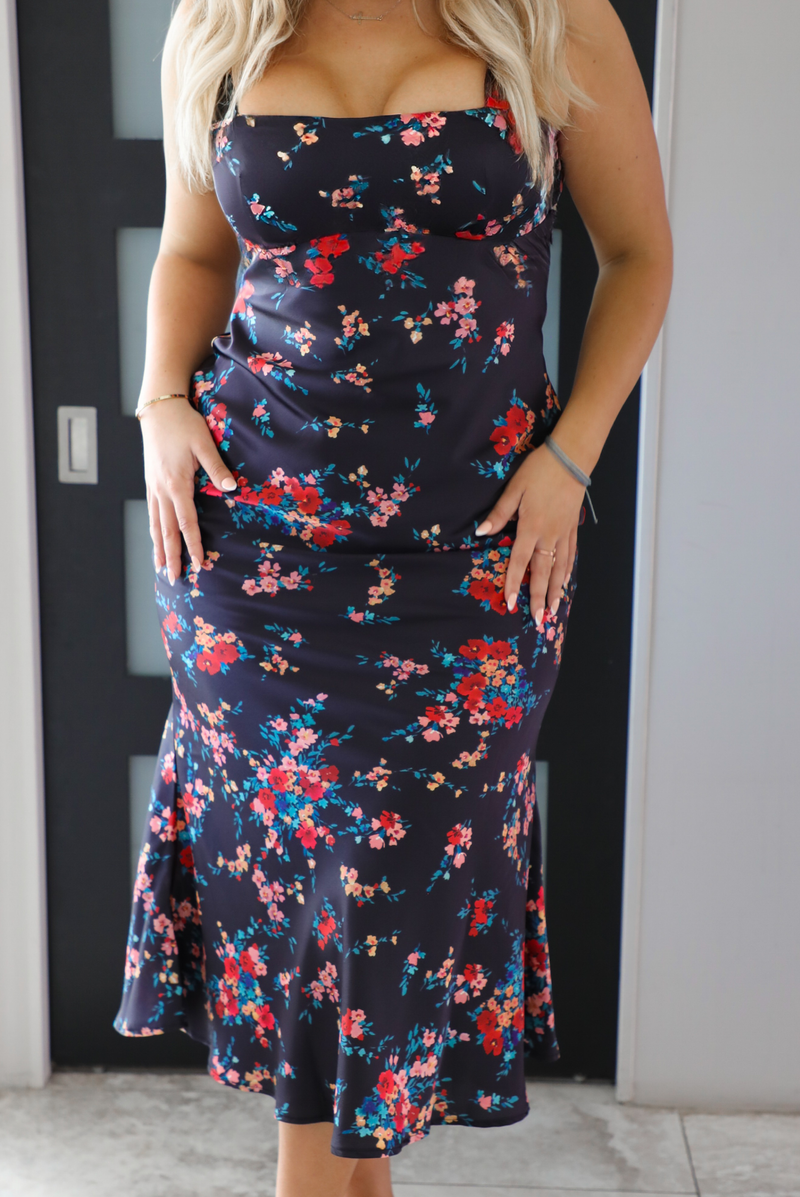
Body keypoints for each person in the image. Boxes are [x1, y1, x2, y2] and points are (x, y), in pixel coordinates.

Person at [113, 0, 672, 1193]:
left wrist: (569, 458)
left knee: (383, 908)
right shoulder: (220, 23)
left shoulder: (549, 20)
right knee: (308, 919)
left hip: (475, 560)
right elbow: (196, 251)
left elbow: (638, 255)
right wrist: (160, 401)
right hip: (253, 554)